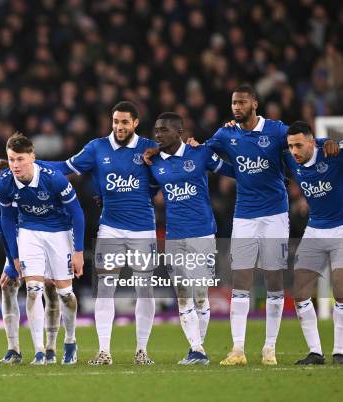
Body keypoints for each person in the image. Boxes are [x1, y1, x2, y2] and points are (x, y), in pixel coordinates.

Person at [182, 85, 338, 365]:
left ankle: (270, 349)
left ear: (254, 103)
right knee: (241, 278)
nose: (236, 107)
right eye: (233, 103)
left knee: (274, 279)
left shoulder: (277, 131)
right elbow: (204, 152)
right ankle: (238, 349)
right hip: (244, 214)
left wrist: (329, 140)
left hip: (275, 214)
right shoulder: (226, 133)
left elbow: (304, 139)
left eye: (242, 102)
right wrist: (193, 146)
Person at [64, 101, 159, 365]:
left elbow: (175, 165)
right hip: (110, 229)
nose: (119, 126)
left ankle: (142, 351)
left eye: (125, 122)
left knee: (145, 290)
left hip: (143, 230)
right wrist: (34, 166)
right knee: (105, 289)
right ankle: (104, 351)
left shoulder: (149, 148)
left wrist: (196, 146)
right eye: (116, 121)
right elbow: (67, 167)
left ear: (135, 123)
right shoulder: (97, 147)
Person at [147, 112, 235, 365]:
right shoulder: (155, 165)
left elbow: (232, 169)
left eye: (163, 130)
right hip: (175, 236)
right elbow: (145, 191)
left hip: (203, 233)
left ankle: (199, 348)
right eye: (156, 130)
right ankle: (197, 349)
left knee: (200, 295)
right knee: (183, 294)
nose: (158, 134)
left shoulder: (200, 154)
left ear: (179, 132)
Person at [0, 133, 84, 365]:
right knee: (33, 290)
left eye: (20, 159)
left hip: (59, 232)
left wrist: (79, 251)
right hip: (29, 231)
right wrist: (14, 255)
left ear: (32, 157)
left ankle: (71, 341)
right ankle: (39, 351)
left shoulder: (54, 179)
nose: (15, 165)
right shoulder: (4, 182)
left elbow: (77, 213)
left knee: (65, 294)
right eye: (11, 159)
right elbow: (6, 219)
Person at [0, 159, 61, 364]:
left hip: (44, 234)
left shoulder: (29, 188)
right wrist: (12, 262)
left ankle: (51, 347)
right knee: (8, 286)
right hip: (17, 239)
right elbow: (3, 228)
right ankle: (13, 350)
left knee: (50, 288)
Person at [283, 121, 343, 365]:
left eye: (299, 145)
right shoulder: (289, 160)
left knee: (340, 290)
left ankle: (340, 351)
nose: (294, 151)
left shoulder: (332, 153)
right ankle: (315, 352)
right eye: (290, 146)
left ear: (311, 142)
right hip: (315, 229)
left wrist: (334, 142)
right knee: (299, 291)